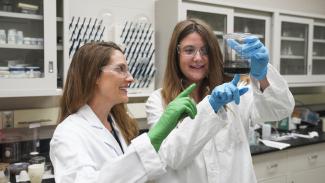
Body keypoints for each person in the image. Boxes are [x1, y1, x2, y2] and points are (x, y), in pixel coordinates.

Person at [146, 19, 295, 183]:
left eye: (205, 51)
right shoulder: (158, 101)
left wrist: (262, 75)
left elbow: (280, 110)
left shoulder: (236, 91)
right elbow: (173, 157)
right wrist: (211, 106)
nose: (198, 58)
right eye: (189, 50)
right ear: (176, 54)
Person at [50, 42, 198, 183]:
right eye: (120, 69)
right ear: (94, 75)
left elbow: (132, 173)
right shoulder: (68, 133)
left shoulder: (116, 124)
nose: (130, 78)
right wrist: (152, 139)